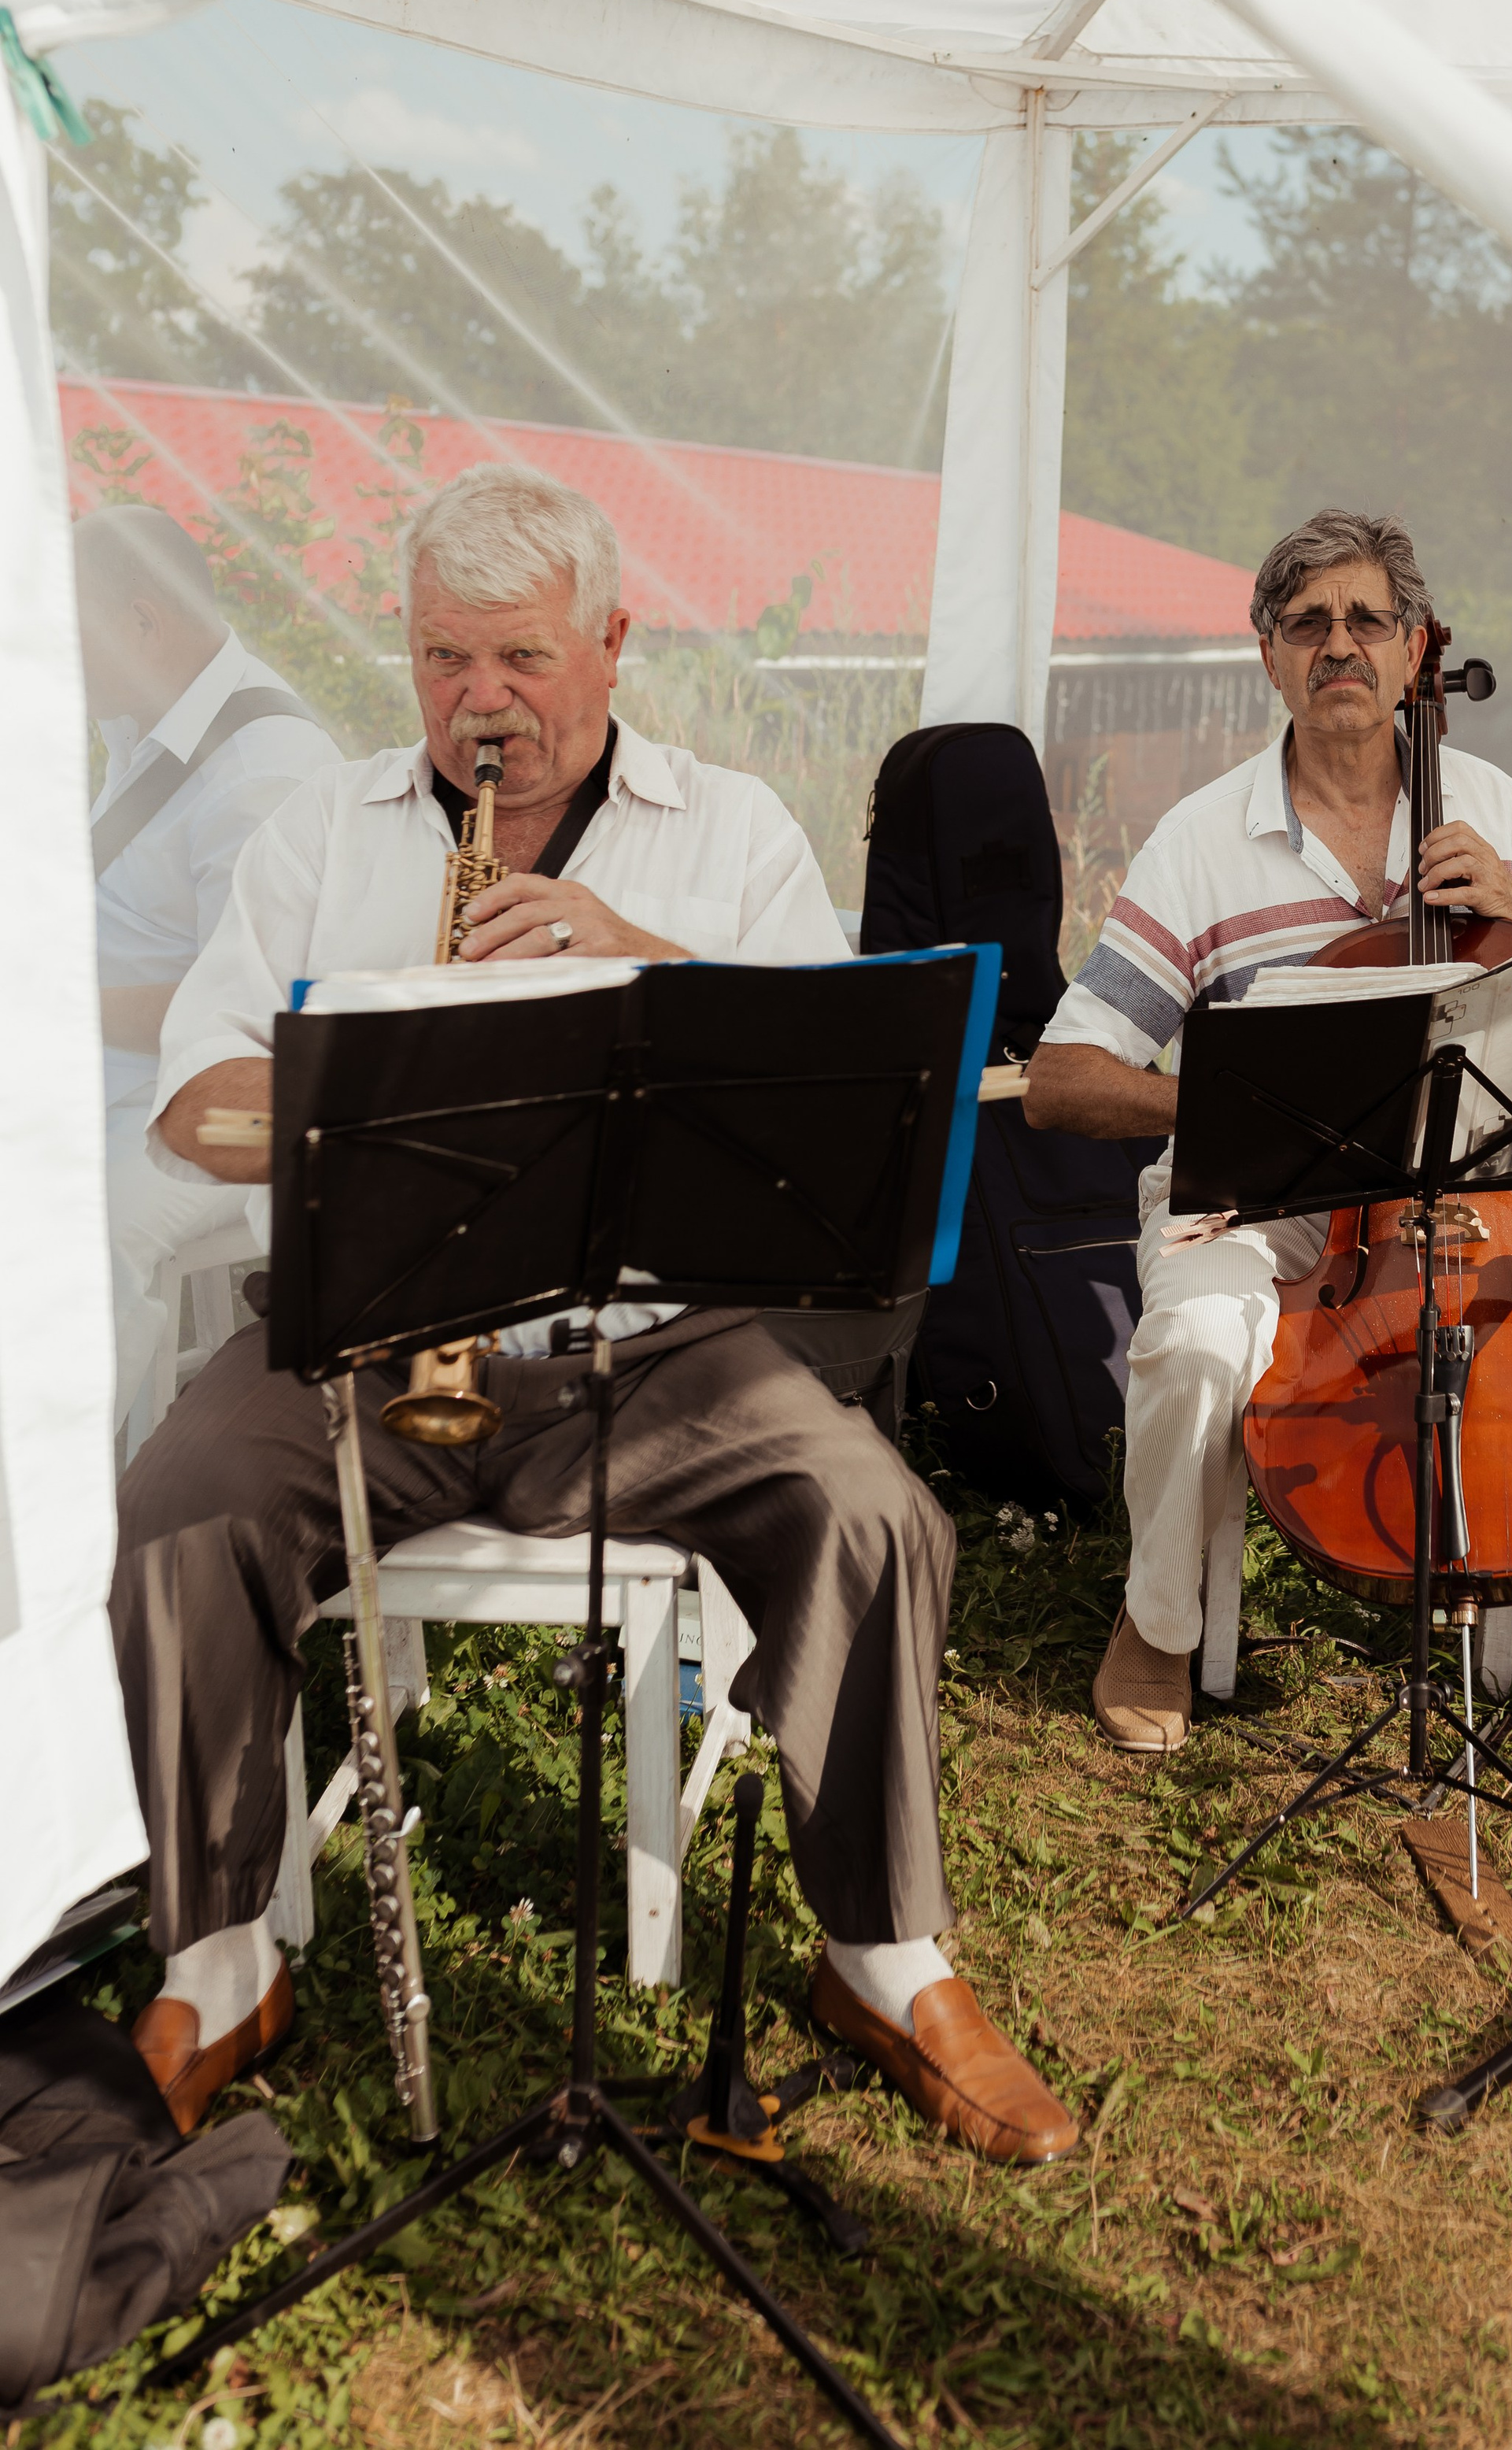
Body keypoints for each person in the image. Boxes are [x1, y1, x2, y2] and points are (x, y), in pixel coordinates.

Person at [113, 464, 1074, 2166]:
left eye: (519, 662)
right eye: (439, 663)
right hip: (377, 1336)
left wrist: (639, 958)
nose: (478, 706)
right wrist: (379, 1075)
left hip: (651, 1348)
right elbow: (193, 1098)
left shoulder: (731, 831)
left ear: (613, 643)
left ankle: (884, 1955)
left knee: (868, 1510)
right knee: (184, 1499)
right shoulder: (316, 831)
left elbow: (833, 1101)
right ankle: (218, 1950)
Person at [1024, 506, 1512, 1757]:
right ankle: (1159, 1626)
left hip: (1478, 1189)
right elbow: (1064, 1079)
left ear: (1416, 653)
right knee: (1195, 1341)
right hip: (1273, 1203)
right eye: (1309, 624)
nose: (1339, 644)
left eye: (1368, 619)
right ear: (1270, 659)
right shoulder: (1202, 841)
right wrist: (1232, 1102)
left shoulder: (1493, 806)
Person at [76, 505, 338, 1443]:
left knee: (82, 1230)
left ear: (143, 622)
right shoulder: (145, 718)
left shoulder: (266, 770)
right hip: (100, 1068)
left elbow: (235, 1011)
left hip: (216, 1101)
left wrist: (47, 1010)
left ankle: (66, 1523)